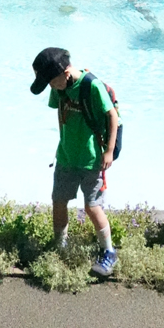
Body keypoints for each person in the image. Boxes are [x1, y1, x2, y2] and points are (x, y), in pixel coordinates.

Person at [30, 46, 120, 278]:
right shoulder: (59, 88)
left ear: (66, 73)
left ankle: (108, 251)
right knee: (59, 201)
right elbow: (62, 114)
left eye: (52, 82)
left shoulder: (92, 86)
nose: (51, 86)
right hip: (66, 157)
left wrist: (108, 151)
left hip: (92, 160)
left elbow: (112, 116)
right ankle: (60, 245)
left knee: (92, 206)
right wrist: (63, 143)